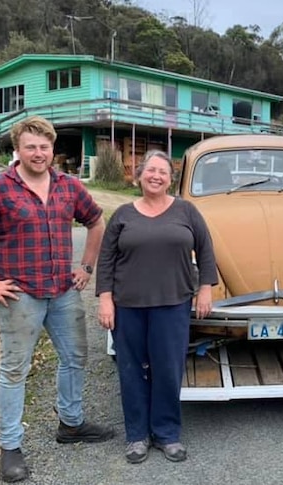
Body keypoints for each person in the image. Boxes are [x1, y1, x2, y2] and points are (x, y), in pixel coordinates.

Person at [0, 115, 114, 483]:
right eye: (31, 147)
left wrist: (85, 266)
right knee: (14, 370)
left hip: (63, 292)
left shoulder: (68, 187)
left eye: (44, 147)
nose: (38, 153)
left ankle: (70, 424)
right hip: (20, 297)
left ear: (53, 150)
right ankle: (10, 447)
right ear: (17, 150)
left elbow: (96, 221)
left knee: (75, 358)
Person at [96, 150, 218, 464]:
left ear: (170, 179)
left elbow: (205, 250)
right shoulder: (123, 214)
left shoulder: (186, 211)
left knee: (167, 370)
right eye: (150, 170)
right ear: (139, 176)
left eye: (163, 172)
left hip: (173, 304)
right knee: (131, 370)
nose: (156, 176)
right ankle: (137, 436)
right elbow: (106, 260)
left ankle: (167, 433)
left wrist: (205, 288)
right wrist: (105, 299)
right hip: (128, 306)